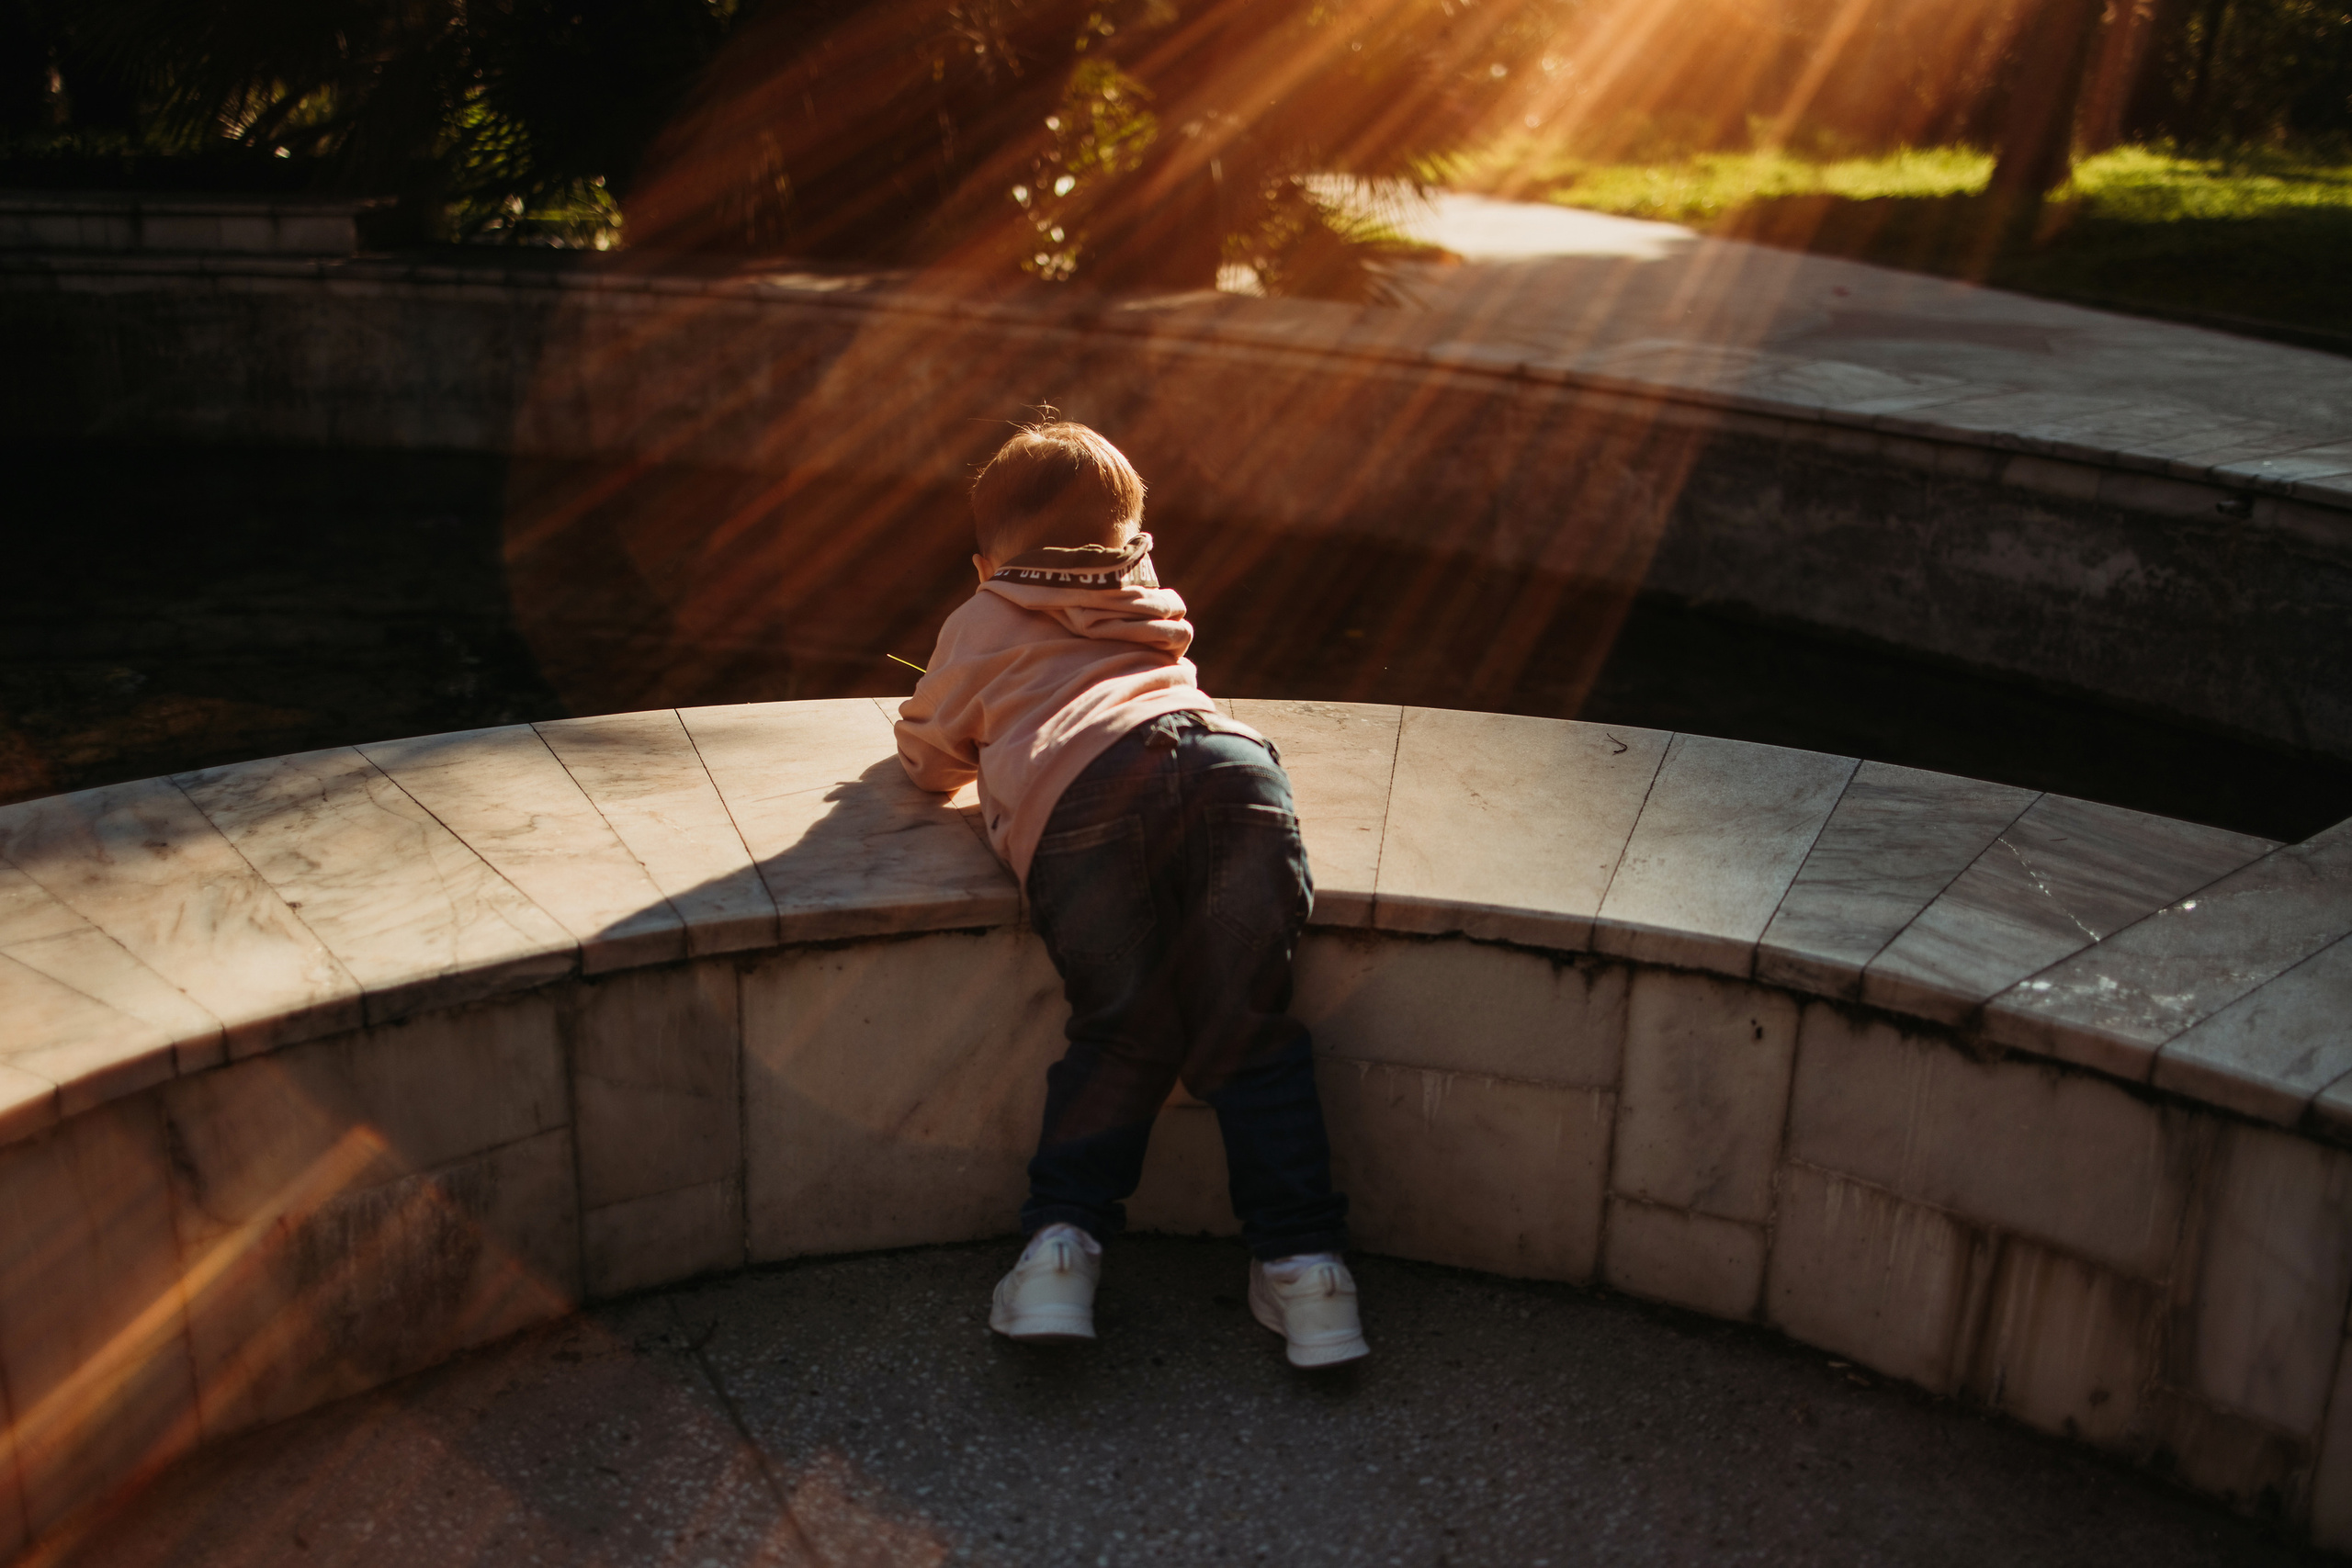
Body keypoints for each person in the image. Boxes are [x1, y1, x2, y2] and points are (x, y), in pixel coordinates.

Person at [893, 416, 1367, 1369]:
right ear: (1132, 541)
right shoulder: (1146, 593)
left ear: (985, 563)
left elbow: (929, 756)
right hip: (1236, 772)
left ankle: (1059, 1258)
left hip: (1089, 797)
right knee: (1250, 1031)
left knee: (1125, 1031)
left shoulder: (983, 614)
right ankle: (1310, 1276)